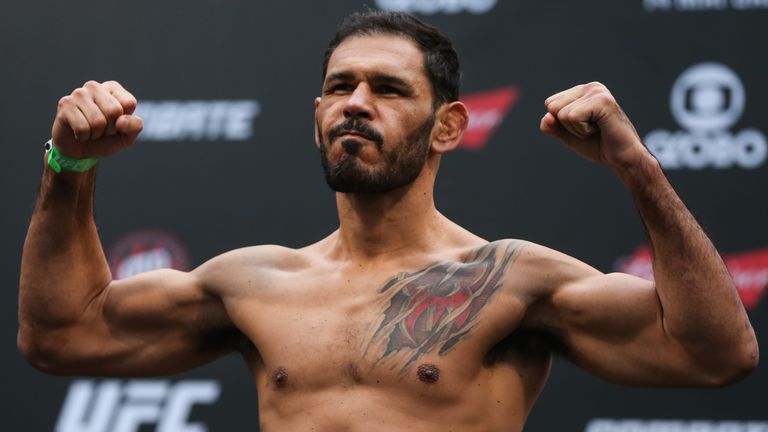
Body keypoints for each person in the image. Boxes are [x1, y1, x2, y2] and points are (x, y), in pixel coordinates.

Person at [19, 11, 758, 432]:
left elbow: (715, 354)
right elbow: (62, 336)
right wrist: (69, 168)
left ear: (448, 127)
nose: (356, 103)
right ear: (316, 119)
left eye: (388, 89)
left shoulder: (510, 280)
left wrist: (637, 165)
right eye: (340, 87)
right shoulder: (252, 282)